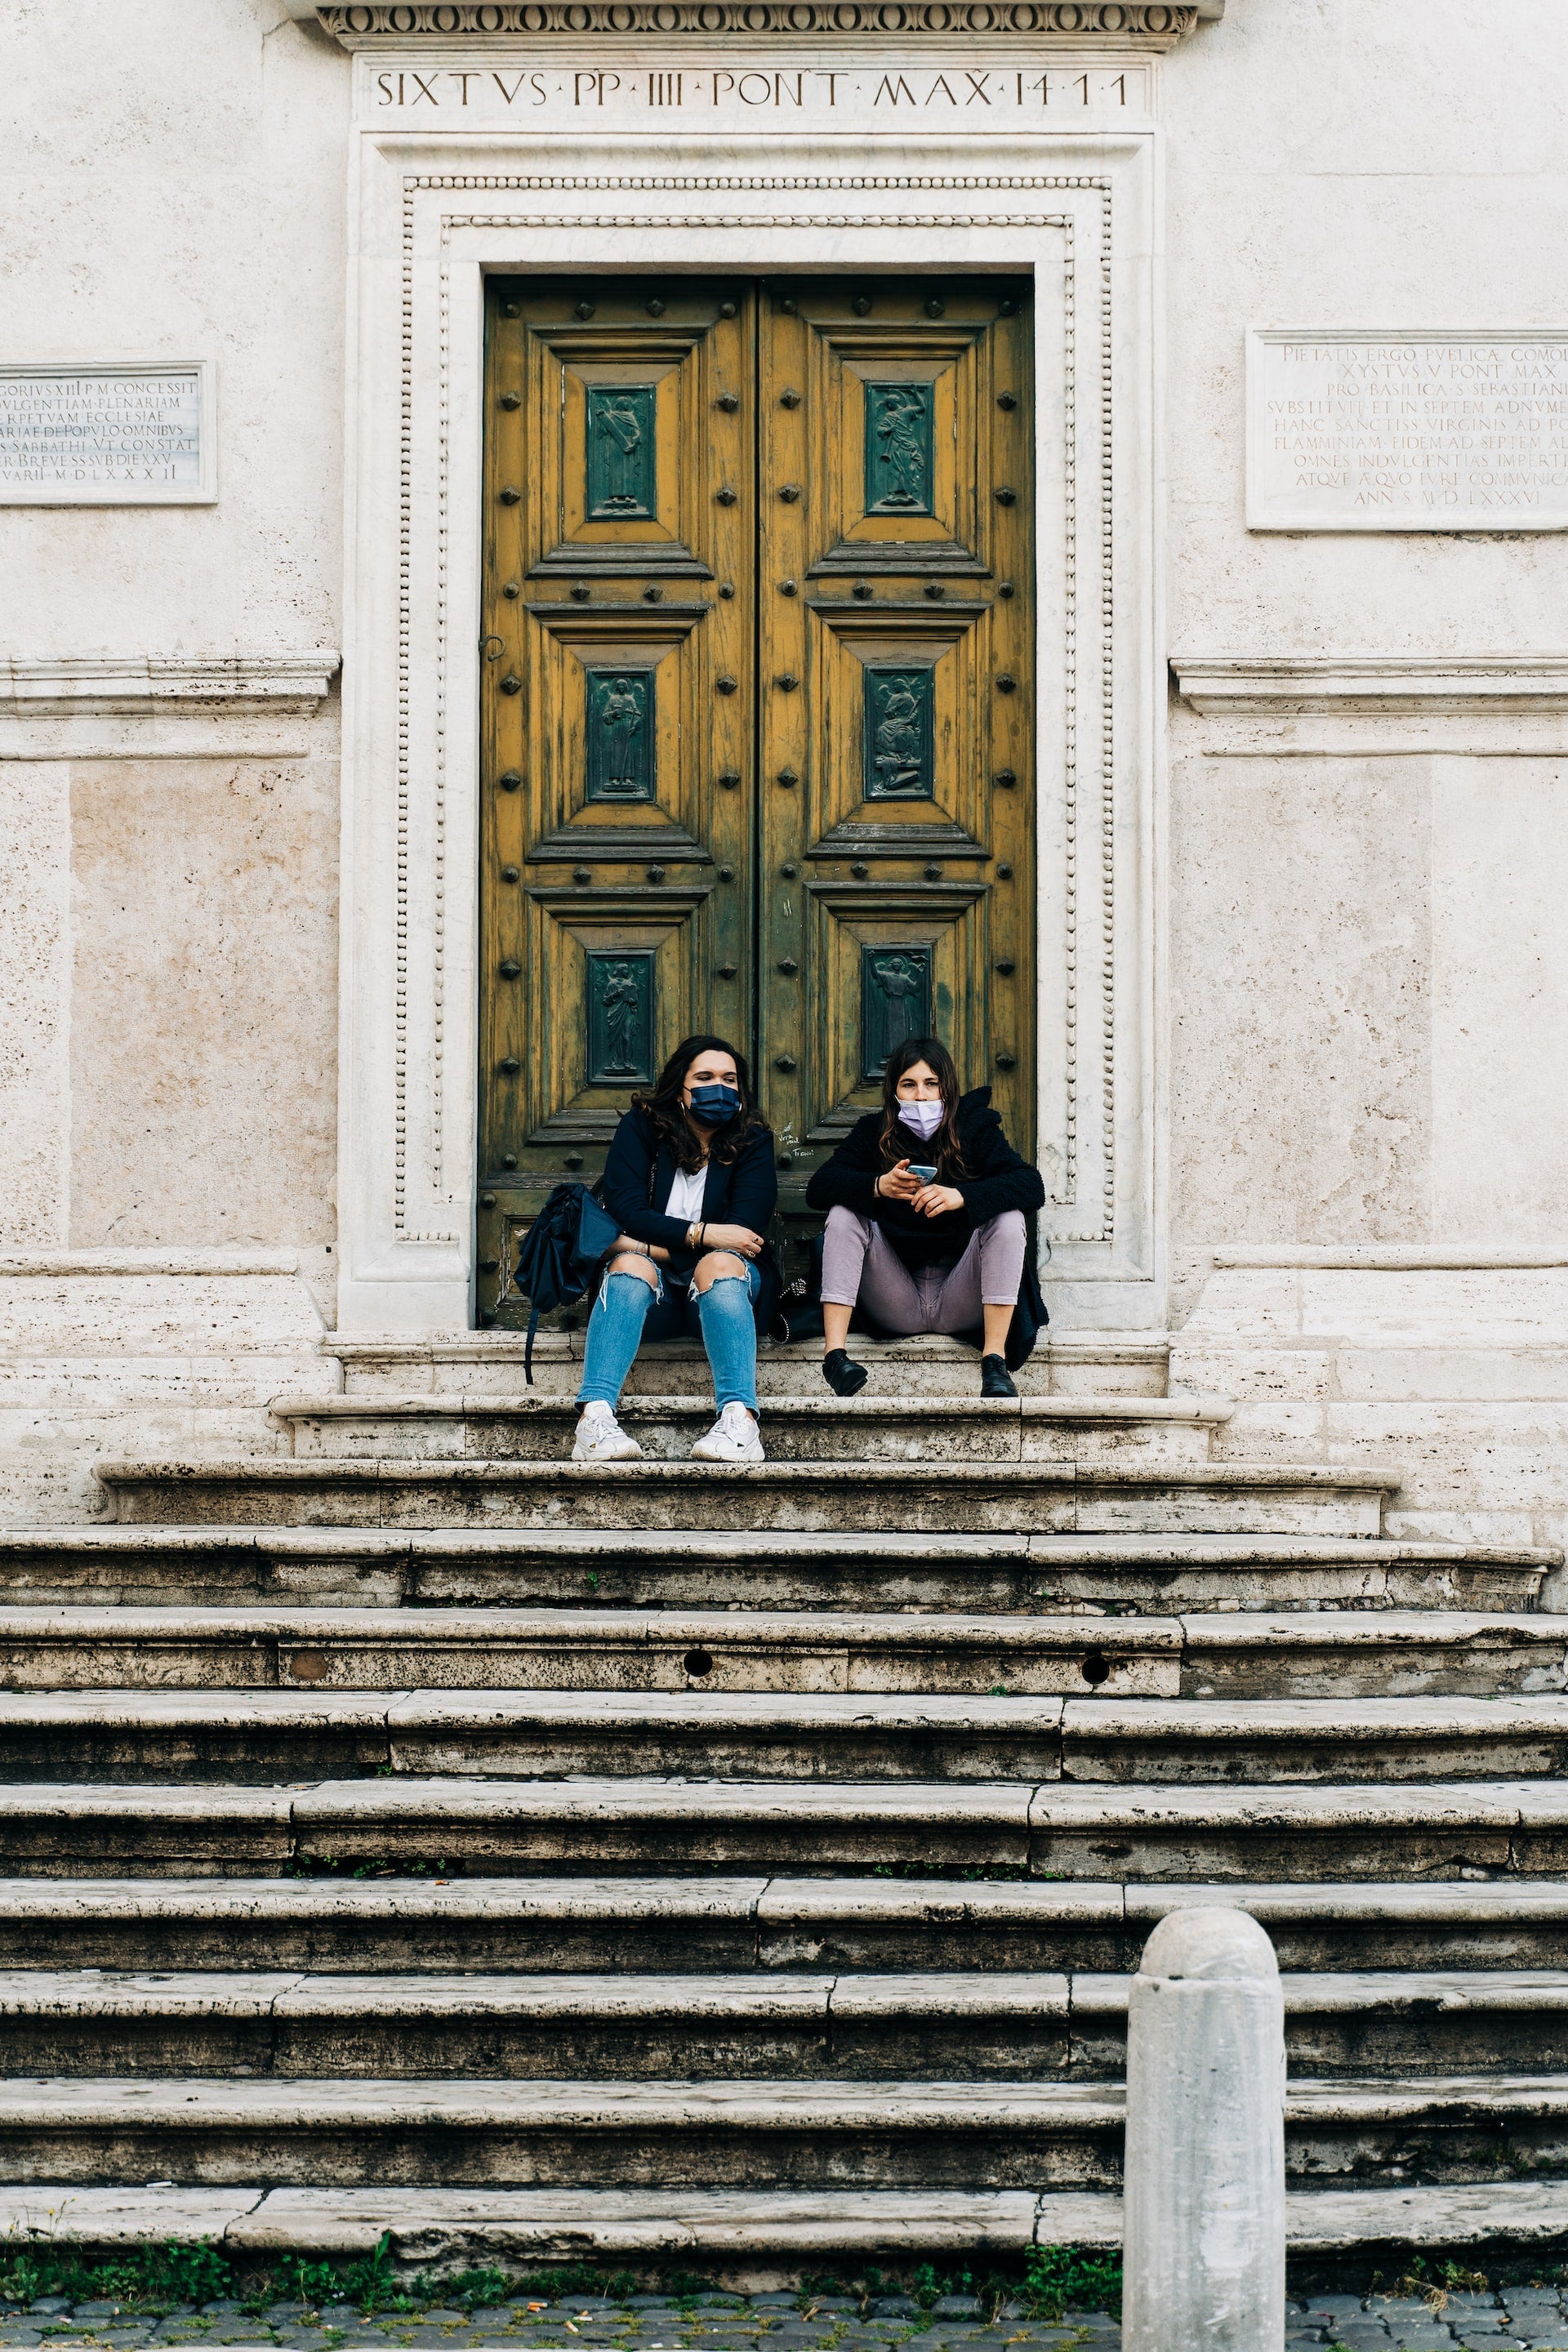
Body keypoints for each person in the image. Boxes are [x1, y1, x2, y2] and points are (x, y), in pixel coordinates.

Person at [573, 1034, 780, 1465]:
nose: (718, 1088)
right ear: (680, 1089)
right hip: (654, 1302)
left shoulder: (754, 1140)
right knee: (630, 1263)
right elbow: (629, 1210)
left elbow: (745, 1233)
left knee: (719, 1264)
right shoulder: (642, 1127)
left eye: (729, 1079)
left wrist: (648, 1242)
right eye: (704, 1077)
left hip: (725, 1292)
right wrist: (702, 1235)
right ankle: (594, 1418)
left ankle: (739, 1420)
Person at [805, 1035, 1046, 1400]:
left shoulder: (975, 1127)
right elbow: (818, 1188)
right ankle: (835, 1358)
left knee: (1009, 1218)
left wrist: (961, 1196)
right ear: (894, 1091)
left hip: (961, 1297)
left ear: (946, 1088)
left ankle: (994, 1363)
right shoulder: (873, 1132)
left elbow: (1031, 1185)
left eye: (931, 1084)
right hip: (894, 1296)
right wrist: (878, 1186)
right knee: (843, 1212)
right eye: (909, 1085)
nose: (920, 1096)